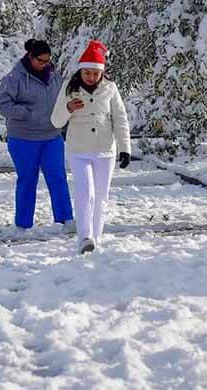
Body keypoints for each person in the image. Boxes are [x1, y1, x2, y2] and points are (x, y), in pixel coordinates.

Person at [51, 40, 131, 254]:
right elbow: (56, 121)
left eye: (96, 73)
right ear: (80, 71)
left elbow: (120, 118)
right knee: (85, 192)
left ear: (102, 73)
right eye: (87, 72)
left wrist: (125, 148)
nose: (91, 77)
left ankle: (95, 238)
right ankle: (84, 236)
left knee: (101, 196)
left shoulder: (110, 88)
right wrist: (68, 108)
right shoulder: (70, 88)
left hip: (105, 149)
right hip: (79, 149)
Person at [0, 39, 74, 229]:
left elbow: (65, 96)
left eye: (47, 60)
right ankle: (23, 225)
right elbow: (2, 104)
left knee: (58, 177)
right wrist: (25, 114)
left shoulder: (55, 76)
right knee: (28, 180)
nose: (45, 64)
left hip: (52, 136)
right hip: (23, 138)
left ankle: (65, 220)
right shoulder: (14, 78)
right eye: (40, 60)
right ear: (29, 56)